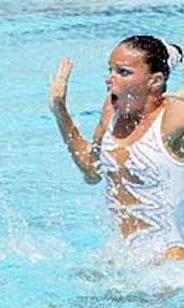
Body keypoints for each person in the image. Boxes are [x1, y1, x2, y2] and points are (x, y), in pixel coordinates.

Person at [49, 35, 184, 262]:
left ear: (155, 81)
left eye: (123, 72)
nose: (109, 79)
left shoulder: (172, 118)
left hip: (170, 263)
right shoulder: (112, 112)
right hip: (123, 259)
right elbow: (91, 170)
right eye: (110, 69)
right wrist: (60, 111)